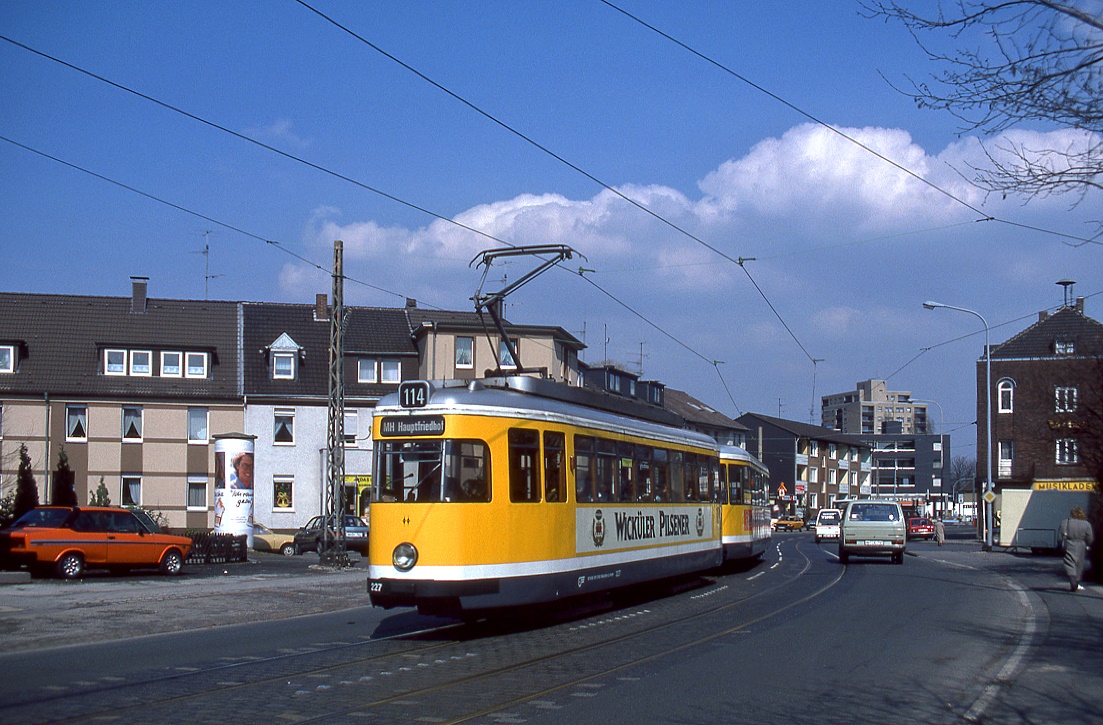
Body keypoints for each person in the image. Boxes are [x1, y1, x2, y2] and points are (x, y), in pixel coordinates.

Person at [1059, 506, 1094, 593]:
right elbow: (1090, 538)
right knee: (1079, 564)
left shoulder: (1066, 522)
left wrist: (1060, 543)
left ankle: (1072, 580)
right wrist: (1088, 544)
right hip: (1081, 545)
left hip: (1069, 544)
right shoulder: (1086, 524)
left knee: (1069, 563)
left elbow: (1060, 536)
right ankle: (1077, 581)